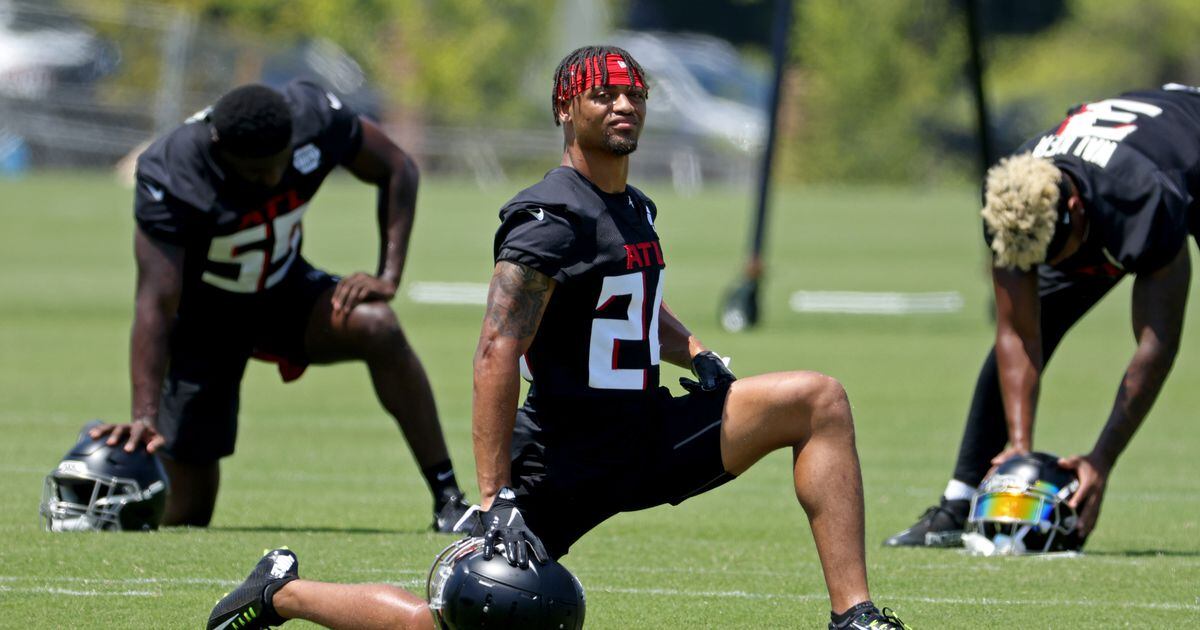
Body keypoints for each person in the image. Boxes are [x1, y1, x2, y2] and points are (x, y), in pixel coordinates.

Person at [203, 46, 913, 630]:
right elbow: (497, 349)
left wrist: (695, 353)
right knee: (460, 620)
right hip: (561, 460)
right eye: (603, 94)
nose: (623, 104)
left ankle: (854, 616)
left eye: (633, 93)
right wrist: (494, 495)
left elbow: (630, 304)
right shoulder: (548, 216)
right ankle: (283, 591)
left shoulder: (631, 205)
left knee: (817, 400)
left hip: (644, 433)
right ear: (565, 110)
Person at [92, 81, 469, 531]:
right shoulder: (173, 170)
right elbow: (155, 301)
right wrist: (145, 415)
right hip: (206, 317)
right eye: (255, 174)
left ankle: (448, 499)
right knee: (189, 513)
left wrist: (388, 273)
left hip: (283, 291)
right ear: (221, 150)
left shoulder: (314, 116)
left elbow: (397, 166)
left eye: (279, 166)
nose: (271, 180)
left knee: (378, 325)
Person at [885, 84, 1199, 548]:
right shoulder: (1011, 200)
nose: (1047, 268)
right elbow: (1017, 333)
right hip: (1115, 184)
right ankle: (957, 503)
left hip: (1179, 152)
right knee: (1037, 319)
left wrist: (1101, 458)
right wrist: (1017, 443)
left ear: (1072, 210)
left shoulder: (1141, 199)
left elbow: (1157, 345)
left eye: (1052, 255)